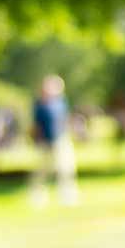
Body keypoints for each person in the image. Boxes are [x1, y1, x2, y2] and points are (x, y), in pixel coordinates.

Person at [29, 74, 78, 206]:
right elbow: (36, 125)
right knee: (41, 171)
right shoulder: (39, 104)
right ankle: (37, 196)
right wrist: (37, 140)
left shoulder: (61, 102)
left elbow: (65, 119)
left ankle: (67, 196)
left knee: (66, 168)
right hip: (45, 141)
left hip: (61, 139)